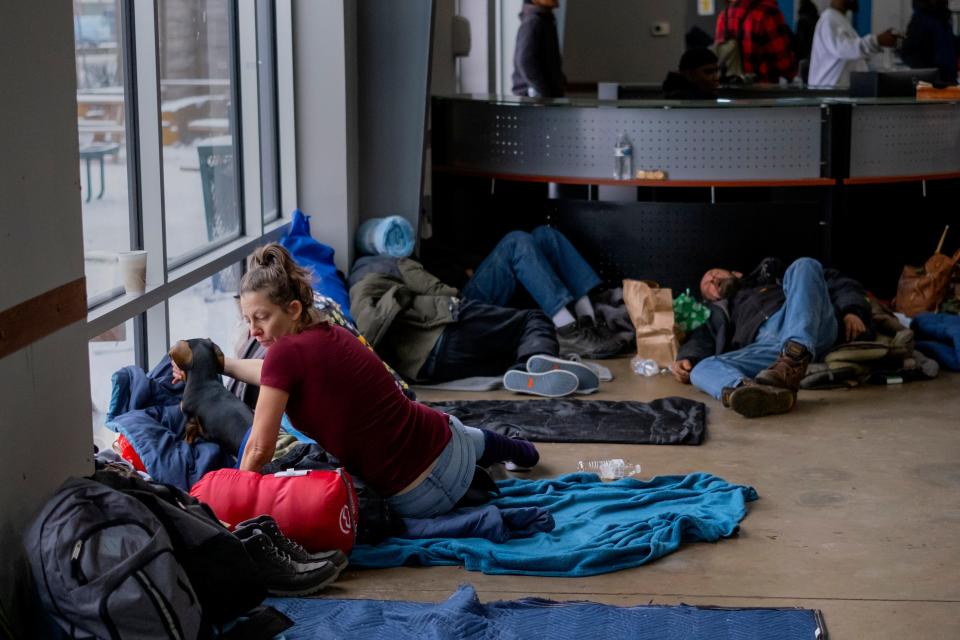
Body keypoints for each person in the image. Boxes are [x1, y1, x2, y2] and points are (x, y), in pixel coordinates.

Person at [202, 243, 542, 519]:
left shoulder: (283, 355)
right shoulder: (331, 331)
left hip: (415, 500)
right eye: (247, 320)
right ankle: (521, 452)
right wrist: (224, 364)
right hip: (453, 449)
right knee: (437, 424)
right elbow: (273, 376)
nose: (253, 330)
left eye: (261, 318)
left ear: (292, 309)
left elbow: (259, 449)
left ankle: (495, 467)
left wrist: (236, 504)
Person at [348, 256, 600, 397]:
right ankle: (539, 358)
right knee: (533, 319)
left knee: (507, 355)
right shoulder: (384, 269)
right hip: (444, 325)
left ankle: (527, 370)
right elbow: (440, 290)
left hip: (433, 368)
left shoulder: (360, 289)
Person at [670, 257, 871, 418]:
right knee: (701, 369)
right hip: (766, 348)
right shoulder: (720, 311)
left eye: (714, 274)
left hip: (806, 323)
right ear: (712, 298)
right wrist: (685, 359)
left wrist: (852, 311)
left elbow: (839, 284)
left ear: (735, 273)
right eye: (708, 286)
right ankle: (751, 392)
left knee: (804, 264)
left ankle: (795, 356)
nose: (713, 280)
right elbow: (701, 338)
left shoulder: (773, 277)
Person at [428, 226, 627, 359]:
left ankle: (587, 321)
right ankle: (570, 333)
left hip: (472, 277)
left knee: (544, 235)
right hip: (459, 302)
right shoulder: (404, 246)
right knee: (516, 241)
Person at [808, 0, 898, 88]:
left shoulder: (838, 19)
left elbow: (853, 53)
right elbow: (844, 49)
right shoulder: (829, 18)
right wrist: (876, 41)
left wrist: (879, 41)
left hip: (838, 94)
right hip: (830, 94)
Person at [714, 0, 797, 83]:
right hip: (762, 90)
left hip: (730, 90)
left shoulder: (724, 14)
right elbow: (784, 65)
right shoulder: (768, 13)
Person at [512, 0, 566, 98]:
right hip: (535, 99)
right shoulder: (533, 21)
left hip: (541, 97)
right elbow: (525, 61)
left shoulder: (544, 20)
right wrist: (544, 92)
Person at [901, 0, 959, 84]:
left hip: (949, 81)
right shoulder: (920, 20)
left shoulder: (943, 18)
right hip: (932, 84)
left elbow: (949, 44)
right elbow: (908, 52)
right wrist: (928, 74)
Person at [794, 0, 821, 69]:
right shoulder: (819, 20)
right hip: (818, 57)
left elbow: (800, 42)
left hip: (806, 59)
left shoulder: (802, 21)